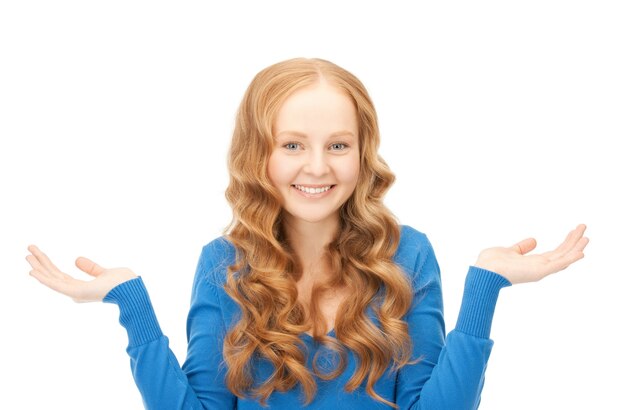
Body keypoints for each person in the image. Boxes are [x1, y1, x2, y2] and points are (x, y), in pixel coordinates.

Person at [26, 57, 589, 409]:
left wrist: (486, 286)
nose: (318, 167)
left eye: (338, 145)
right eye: (293, 144)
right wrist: (132, 302)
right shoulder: (224, 264)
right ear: (258, 154)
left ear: (362, 153)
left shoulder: (407, 253)